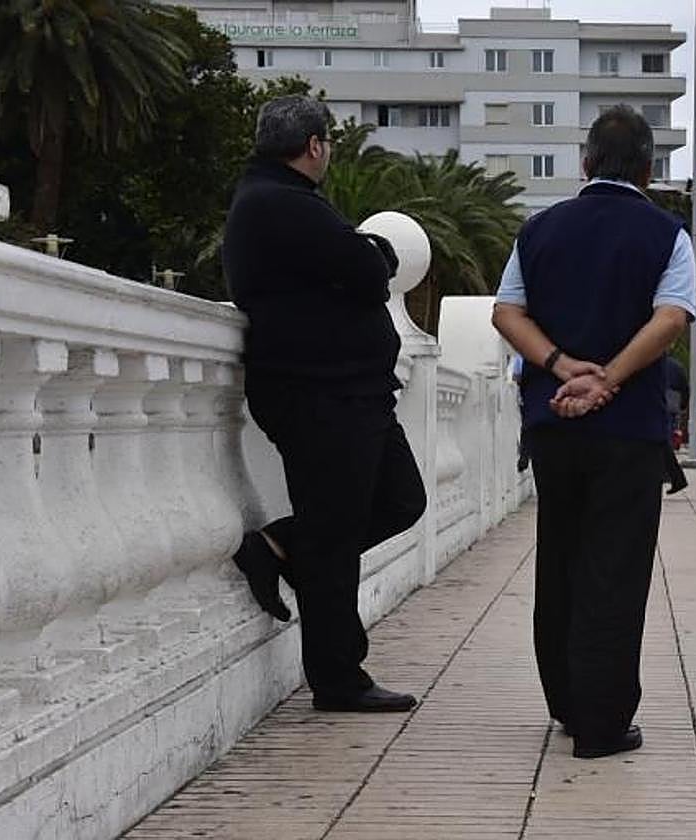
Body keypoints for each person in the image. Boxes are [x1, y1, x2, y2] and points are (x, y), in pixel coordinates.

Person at [491, 105, 696, 760]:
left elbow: (505, 311)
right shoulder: (667, 234)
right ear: (648, 167)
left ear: (584, 163)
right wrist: (608, 378)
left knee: (561, 558)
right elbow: (670, 319)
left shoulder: (539, 230)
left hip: (552, 423)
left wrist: (557, 365)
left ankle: (566, 704)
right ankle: (602, 723)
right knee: (615, 568)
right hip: (628, 430)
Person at [223, 95, 426, 714]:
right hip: (319, 394)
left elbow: (359, 264)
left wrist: (367, 257)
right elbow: (369, 271)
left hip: (347, 391)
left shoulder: (281, 199)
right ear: (314, 146)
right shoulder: (278, 202)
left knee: (400, 500)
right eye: (328, 143)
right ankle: (339, 677)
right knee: (336, 535)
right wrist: (373, 256)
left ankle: (281, 547)